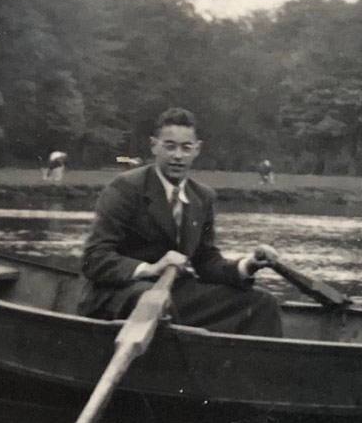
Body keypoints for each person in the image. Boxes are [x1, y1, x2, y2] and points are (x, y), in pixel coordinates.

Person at [77, 107, 282, 337]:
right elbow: (93, 259)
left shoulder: (202, 197)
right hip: (118, 295)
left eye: (186, 148)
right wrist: (150, 269)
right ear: (154, 145)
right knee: (156, 302)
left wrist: (249, 265)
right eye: (170, 146)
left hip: (172, 293)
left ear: (197, 150)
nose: (178, 156)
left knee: (263, 303)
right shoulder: (125, 188)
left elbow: (206, 262)